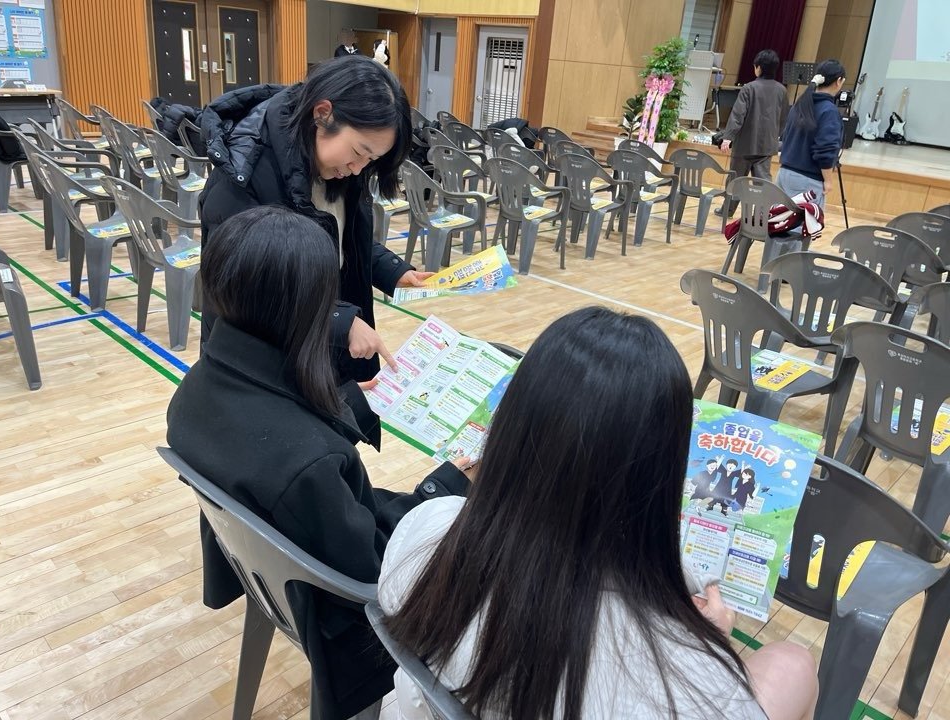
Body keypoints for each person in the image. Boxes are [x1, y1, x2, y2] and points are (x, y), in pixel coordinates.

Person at [378, 309, 819, 720]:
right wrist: (709, 641)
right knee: (793, 663)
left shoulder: (424, 530)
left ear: (511, 429)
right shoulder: (682, 679)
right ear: (660, 477)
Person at [166, 206, 470, 717]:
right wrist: (448, 483)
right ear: (303, 308)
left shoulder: (195, 388)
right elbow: (377, 565)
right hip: (341, 613)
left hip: (280, 556)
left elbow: (274, 421)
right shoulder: (310, 463)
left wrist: (350, 400)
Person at [197, 55, 430, 393]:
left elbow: (338, 235)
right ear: (322, 114)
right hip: (263, 360)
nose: (358, 168)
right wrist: (340, 321)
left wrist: (392, 271)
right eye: (359, 152)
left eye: (372, 160)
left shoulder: (337, 166)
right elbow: (245, 285)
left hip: (319, 338)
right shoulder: (244, 173)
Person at [717, 49, 788, 216]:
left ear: (758, 68)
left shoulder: (749, 88)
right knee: (763, 183)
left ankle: (727, 210)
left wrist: (728, 137)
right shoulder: (781, 90)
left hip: (745, 145)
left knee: (736, 180)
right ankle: (761, 214)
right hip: (767, 146)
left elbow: (737, 115)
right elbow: (784, 117)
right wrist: (776, 136)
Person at [776, 59, 846, 209]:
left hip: (784, 173)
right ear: (838, 81)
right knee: (804, 223)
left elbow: (785, 136)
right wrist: (828, 180)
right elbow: (825, 150)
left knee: (780, 220)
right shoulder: (829, 111)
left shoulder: (800, 104)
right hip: (807, 179)